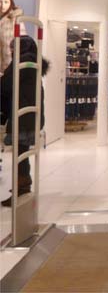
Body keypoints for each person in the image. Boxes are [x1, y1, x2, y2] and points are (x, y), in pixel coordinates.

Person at [1, 36, 49, 207]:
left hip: (22, 115)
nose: (11, 51)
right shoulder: (34, 63)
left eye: (13, 48)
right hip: (31, 115)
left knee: (20, 153)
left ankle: (22, 186)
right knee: (22, 152)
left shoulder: (21, 63)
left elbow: (5, 86)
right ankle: (23, 184)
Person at [0, 0, 26, 76]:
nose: (3, 5)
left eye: (6, 2)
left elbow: (23, 41)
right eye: (0, 2)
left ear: (11, 3)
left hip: (10, 63)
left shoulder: (15, 18)